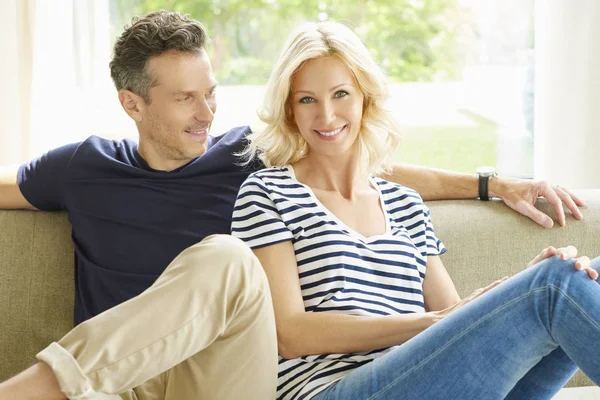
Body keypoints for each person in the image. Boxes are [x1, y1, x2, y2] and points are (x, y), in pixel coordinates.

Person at [0, 10, 585, 400]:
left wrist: (494, 186)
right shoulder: (87, 166)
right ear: (132, 104)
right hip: (140, 381)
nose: (206, 114)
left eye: (210, 94)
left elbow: (364, 172)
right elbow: (296, 332)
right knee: (225, 255)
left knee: (573, 277)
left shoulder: (247, 158)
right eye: (184, 99)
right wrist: (452, 319)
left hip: (223, 374)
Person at [231, 21, 600, 400]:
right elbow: (290, 334)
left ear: (364, 98)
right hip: (332, 388)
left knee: (584, 274)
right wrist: (426, 323)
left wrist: (516, 294)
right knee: (555, 285)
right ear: (290, 110)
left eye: (340, 94)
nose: (326, 116)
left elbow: (456, 322)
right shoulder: (268, 193)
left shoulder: (405, 203)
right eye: (307, 99)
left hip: (430, 385)